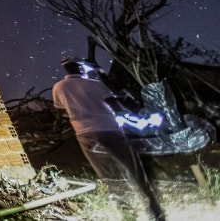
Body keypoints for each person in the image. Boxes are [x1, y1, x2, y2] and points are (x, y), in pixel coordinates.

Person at [52, 59, 165, 221]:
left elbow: (61, 110)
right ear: (80, 68)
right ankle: (156, 213)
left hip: (85, 135)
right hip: (111, 130)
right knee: (135, 171)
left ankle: (126, 215)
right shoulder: (95, 84)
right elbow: (115, 104)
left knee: (108, 176)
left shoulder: (58, 87)